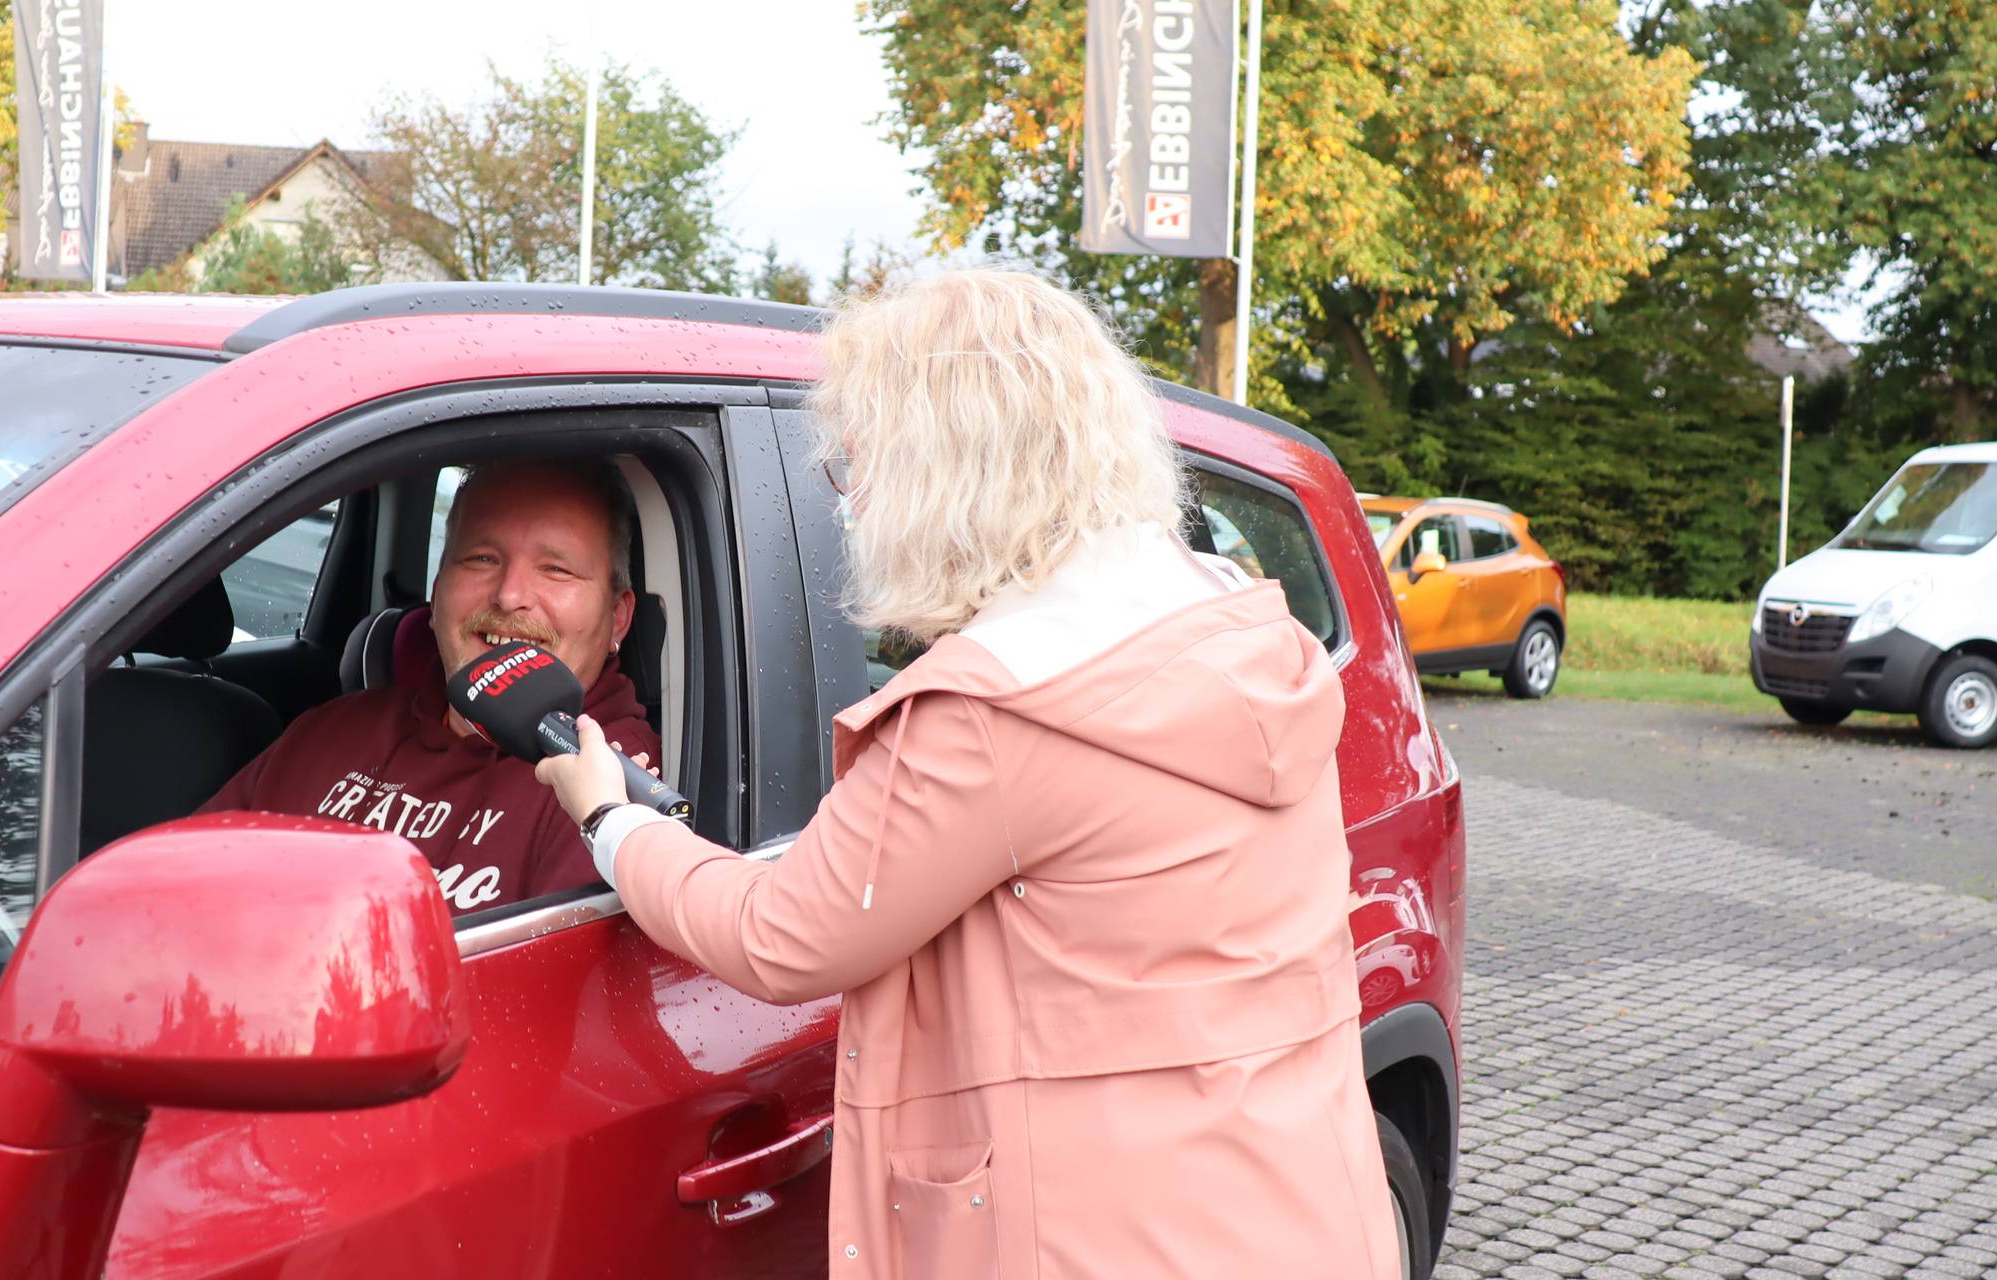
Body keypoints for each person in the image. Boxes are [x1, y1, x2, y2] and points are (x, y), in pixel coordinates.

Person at [536, 268, 1403, 1278]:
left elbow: (784, 933)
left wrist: (611, 816)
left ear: (941, 471)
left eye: (857, 466)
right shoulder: (1233, 628)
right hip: (1292, 1213)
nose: (848, 499)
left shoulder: (1006, 706)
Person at [204, 458, 659, 913]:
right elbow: (179, 892)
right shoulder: (332, 730)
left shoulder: (618, 794)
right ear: (438, 591)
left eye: (556, 569)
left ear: (618, 615)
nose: (509, 594)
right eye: (482, 558)